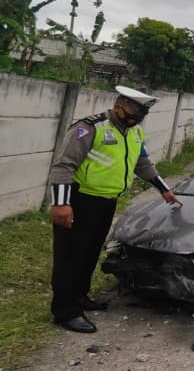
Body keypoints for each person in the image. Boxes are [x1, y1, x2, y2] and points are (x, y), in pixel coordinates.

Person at [48, 85, 181, 333]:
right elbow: (64, 166)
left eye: (142, 112)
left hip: (106, 202)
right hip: (79, 201)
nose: (137, 116)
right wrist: (61, 204)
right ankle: (65, 311)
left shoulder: (135, 133)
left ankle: (79, 298)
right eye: (134, 109)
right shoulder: (89, 127)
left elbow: (142, 164)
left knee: (88, 254)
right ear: (119, 103)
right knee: (70, 256)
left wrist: (164, 189)